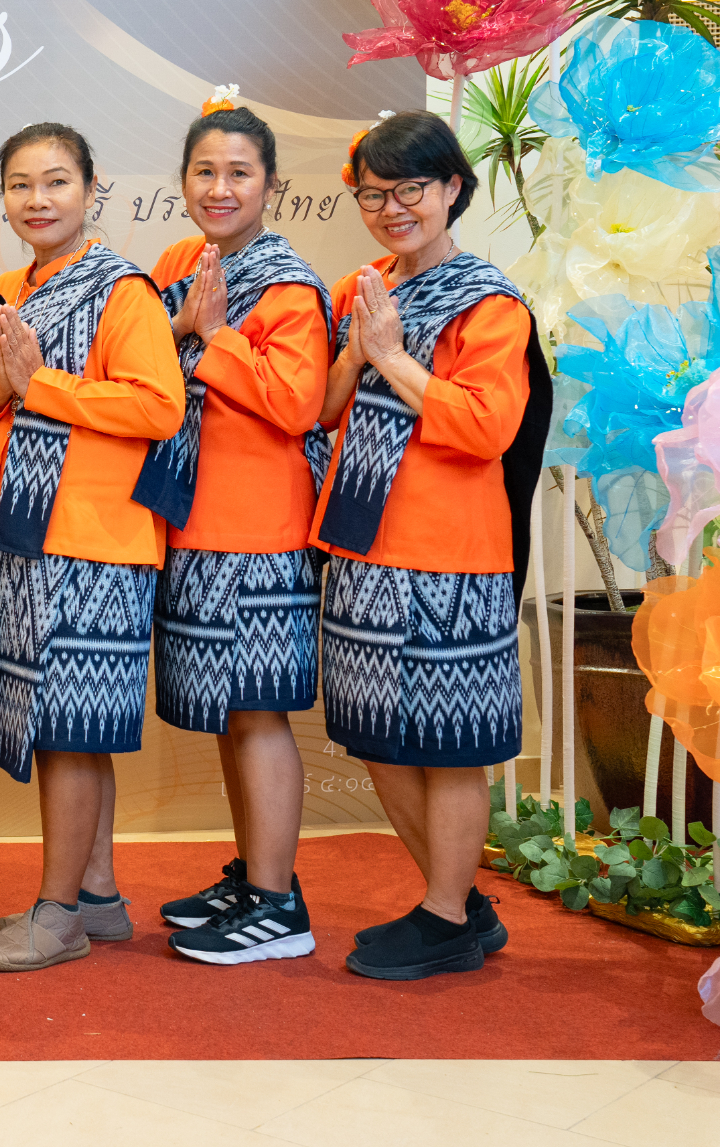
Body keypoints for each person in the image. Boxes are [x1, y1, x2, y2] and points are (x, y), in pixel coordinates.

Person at [315, 110, 549, 981]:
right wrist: (356, 355)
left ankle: (446, 915)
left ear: (452, 187)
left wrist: (392, 355)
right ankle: (458, 902)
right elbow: (325, 411)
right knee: (376, 732)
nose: (391, 208)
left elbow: (487, 427)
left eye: (409, 188)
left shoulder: (490, 304)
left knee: (449, 741)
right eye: (373, 194)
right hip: (362, 543)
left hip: (450, 552)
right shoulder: (364, 285)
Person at [0, 123, 184, 974]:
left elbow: (157, 407)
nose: (38, 199)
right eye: (20, 184)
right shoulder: (10, 289)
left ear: (92, 190)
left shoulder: (121, 289)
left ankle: (57, 914)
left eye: (56, 181)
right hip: (28, 530)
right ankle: (96, 895)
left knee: (66, 729)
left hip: (94, 539)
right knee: (74, 726)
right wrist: (5, 384)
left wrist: (41, 384)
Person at [135, 103, 333, 965]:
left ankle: (279, 905)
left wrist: (212, 333)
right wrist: (181, 325)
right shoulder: (179, 262)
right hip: (190, 519)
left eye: (239, 173)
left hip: (259, 529)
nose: (220, 188)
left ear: (271, 185)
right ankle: (255, 875)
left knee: (256, 712)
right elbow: (139, 359)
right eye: (205, 172)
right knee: (227, 711)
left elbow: (296, 403)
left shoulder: (288, 285)